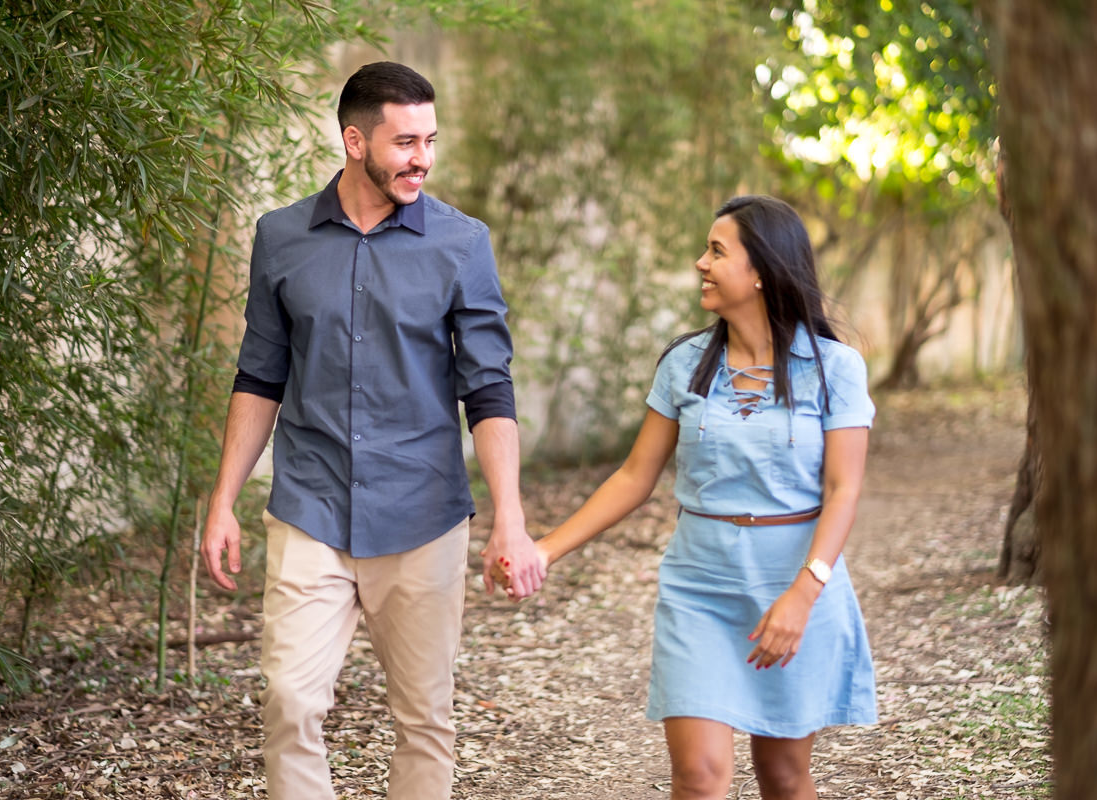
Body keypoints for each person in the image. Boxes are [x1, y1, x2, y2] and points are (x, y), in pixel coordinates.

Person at [200, 61, 545, 800]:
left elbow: (488, 387)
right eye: (404, 142)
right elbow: (260, 375)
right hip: (311, 506)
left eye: (430, 140)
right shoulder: (282, 237)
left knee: (423, 718)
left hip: (423, 514)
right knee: (290, 701)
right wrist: (223, 499)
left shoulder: (462, 244)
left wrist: (509, 521)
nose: (421, 158)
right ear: (355, 141)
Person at [497, 195, 877, 800]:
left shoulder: (835, 368)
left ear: (762, 270)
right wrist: (544, 550)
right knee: (698, 778)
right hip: (700, 588)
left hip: (795, 586)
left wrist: (804, 595)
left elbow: (844, 489)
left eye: (716, 251)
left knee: (784, 776)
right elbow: (634, 477)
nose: (701, 263)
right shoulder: (685, 364)